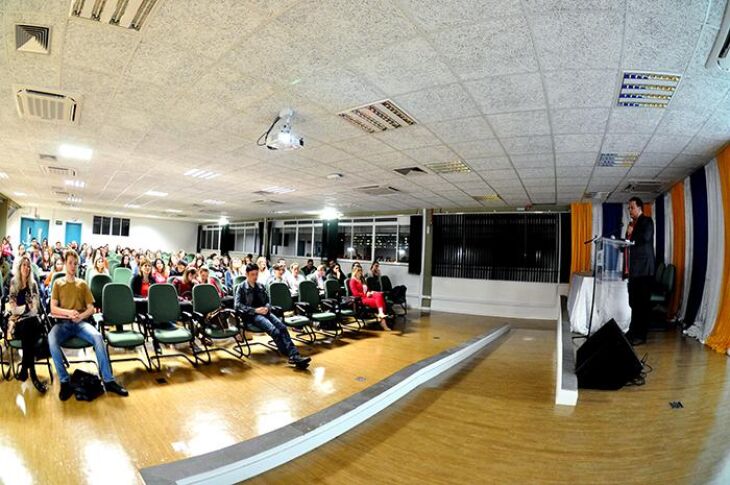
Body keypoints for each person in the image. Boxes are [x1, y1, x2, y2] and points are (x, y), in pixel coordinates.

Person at [48, 250, 128, 400]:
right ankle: (65, 381)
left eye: (75, 263)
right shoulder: (58, 283)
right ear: (65, 264)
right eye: (70, 263)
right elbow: (53, 308)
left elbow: (91, 308)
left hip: (81, 323)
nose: (73, 266)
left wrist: (81, 316)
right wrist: (69, 313)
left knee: (98, 337)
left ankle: (108, 380)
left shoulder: (82, 284)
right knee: (51, 339)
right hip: (63, 324)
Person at [235, 263, 311, 369]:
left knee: (283, 327)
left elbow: (267, 301)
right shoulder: (241, 287)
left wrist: (267, 307)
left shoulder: (260, 286)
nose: (255, 277)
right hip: (252, 316)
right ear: (247, 274)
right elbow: (237, 306)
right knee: (274, 330)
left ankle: (294, 355)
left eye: (256, 274)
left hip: (265, 312)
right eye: (252, 274)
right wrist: (255, 310)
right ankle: (291, 354)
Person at [7, 255, 48, 393]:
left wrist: (22, 309)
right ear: (19, 267)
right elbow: (12, 308)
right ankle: (32, 372)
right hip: (20, 324)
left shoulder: (34, 284)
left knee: (29, 323)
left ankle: (25, 369)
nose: (27, 267)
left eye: (28, 265)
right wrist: (25, 308)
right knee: (26, 327)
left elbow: (35, 308)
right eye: (24, 265)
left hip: (32, 321)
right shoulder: (14, 283)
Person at [624, 197, 655, 346]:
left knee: (642, 304)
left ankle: (641, 336)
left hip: (644, 270)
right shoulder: (632, 225)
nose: (629, 210)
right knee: (633, 303)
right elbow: (627, 244)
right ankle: (632, 331)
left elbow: (645, 237)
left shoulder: (647, 221)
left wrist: (632, 231)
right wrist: (626, 235)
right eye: (628, 208)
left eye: (631, 207)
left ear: (639, 208)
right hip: (634, 271)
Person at [349, 266, 389, 331]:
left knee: (379, 295)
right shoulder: (352, 281)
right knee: (381, 302)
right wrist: (366, 294)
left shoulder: (362, 279)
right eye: (358, 271)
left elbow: (367, 289)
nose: (360, 272)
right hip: (361, 299)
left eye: (361, 270)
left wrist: (370, 292)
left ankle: (380, 314)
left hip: (367, 295)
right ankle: (382, 321)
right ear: (355, 272)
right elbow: (355, 294)